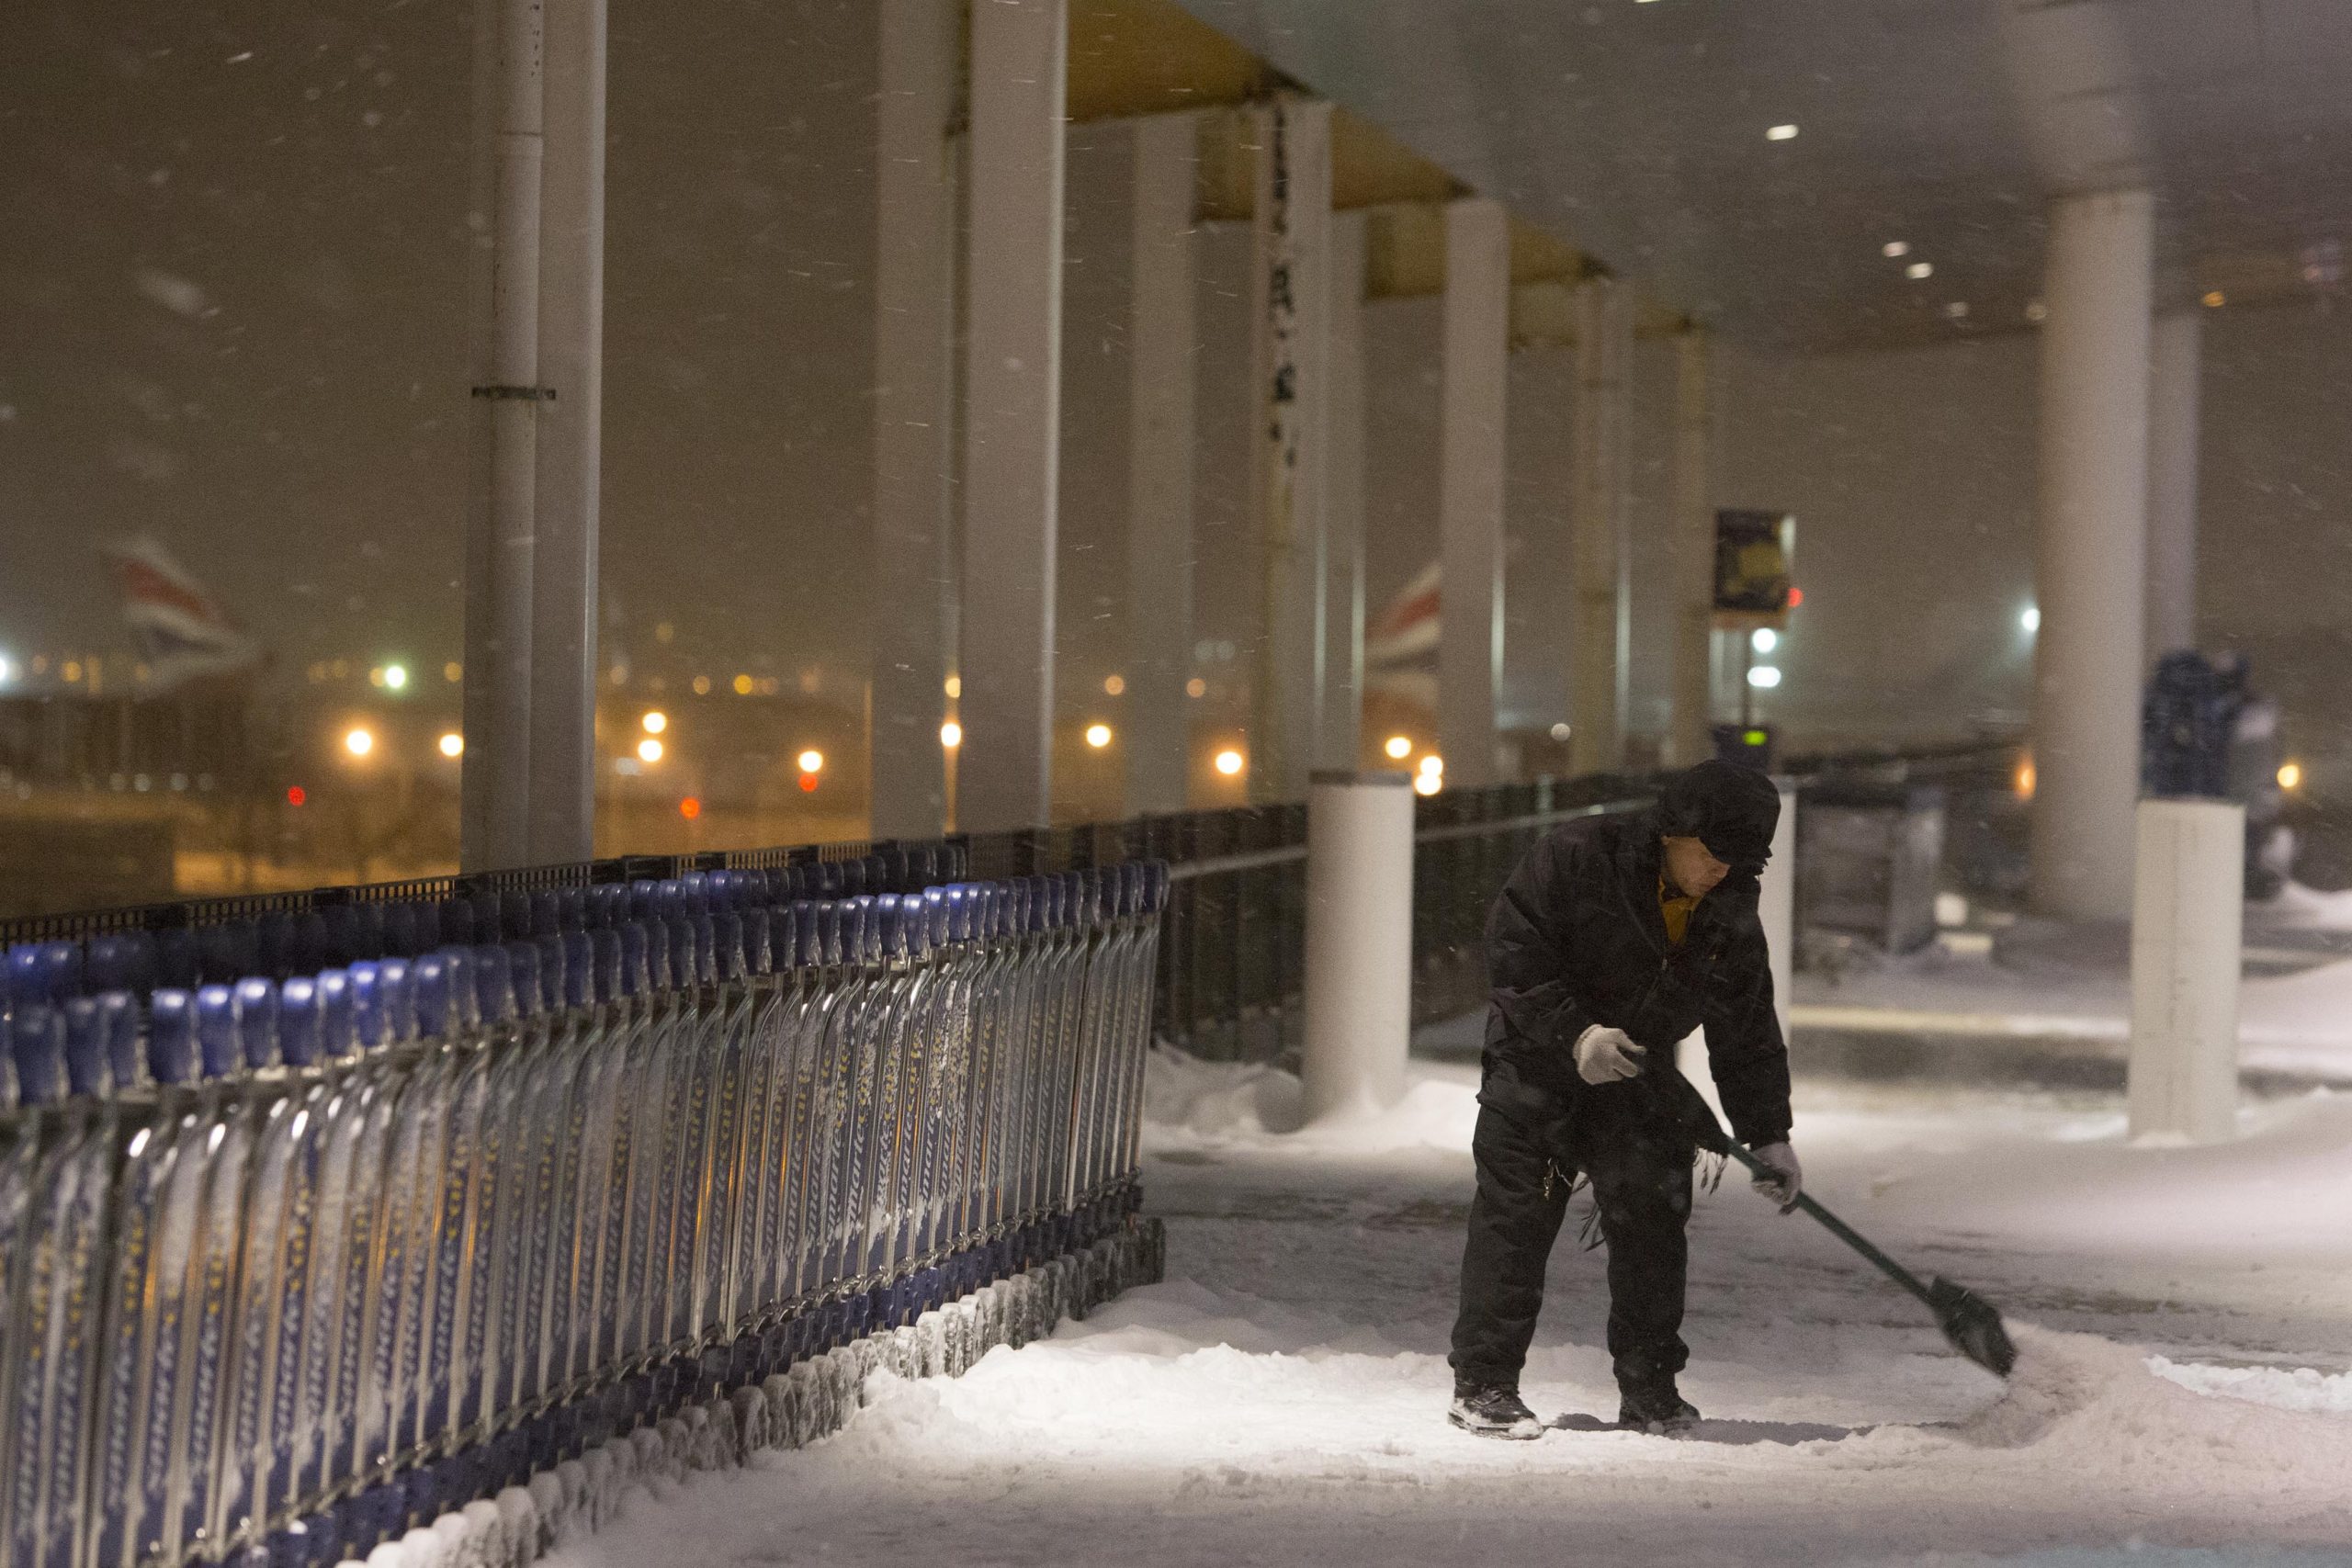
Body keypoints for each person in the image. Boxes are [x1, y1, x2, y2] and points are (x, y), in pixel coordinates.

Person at [1447, 759, 1802, 1438]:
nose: (1722, 871)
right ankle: (1484, 1384)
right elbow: (1515, 954)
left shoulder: (1728, 909)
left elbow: (1747, 1025)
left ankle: (1651, 1388)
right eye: (1712, 855)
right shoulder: (1581, 857)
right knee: (1515, 1223)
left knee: (1654, 1226)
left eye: (1739, 861)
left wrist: (1769, 1133)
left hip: (1636, 1081)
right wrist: (1576, 1033)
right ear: (1674, 831)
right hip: (1537, 1068)